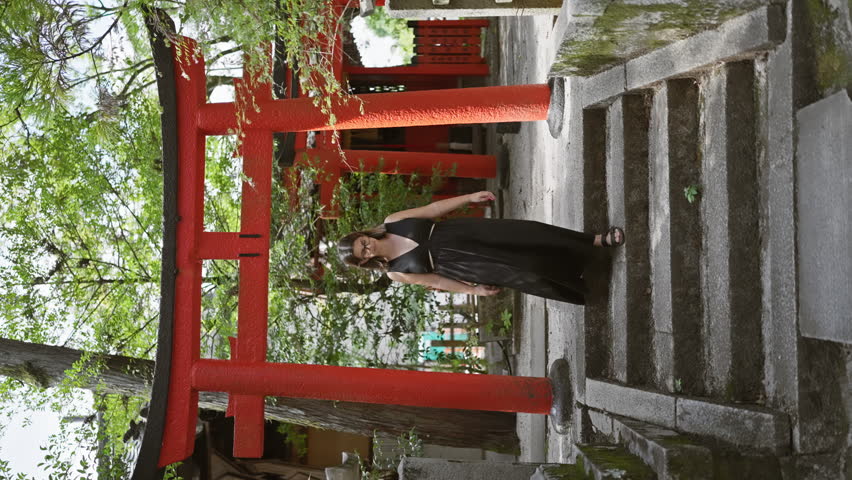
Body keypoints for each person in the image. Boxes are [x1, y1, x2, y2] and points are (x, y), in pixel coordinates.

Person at [337, 191, 624, 304]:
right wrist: (473, 289)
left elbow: (433, 208)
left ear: (363, 235)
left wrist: (468, 198)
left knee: (529, 233)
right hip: (469, 266)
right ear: (364, 263)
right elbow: (436, 280)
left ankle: (595, 241)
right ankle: (583, 280)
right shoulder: (396, 273)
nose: (368, 248)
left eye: (363, 243)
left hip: (465, 232)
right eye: (363, 254)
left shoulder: (393, 222)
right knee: (528, 272)